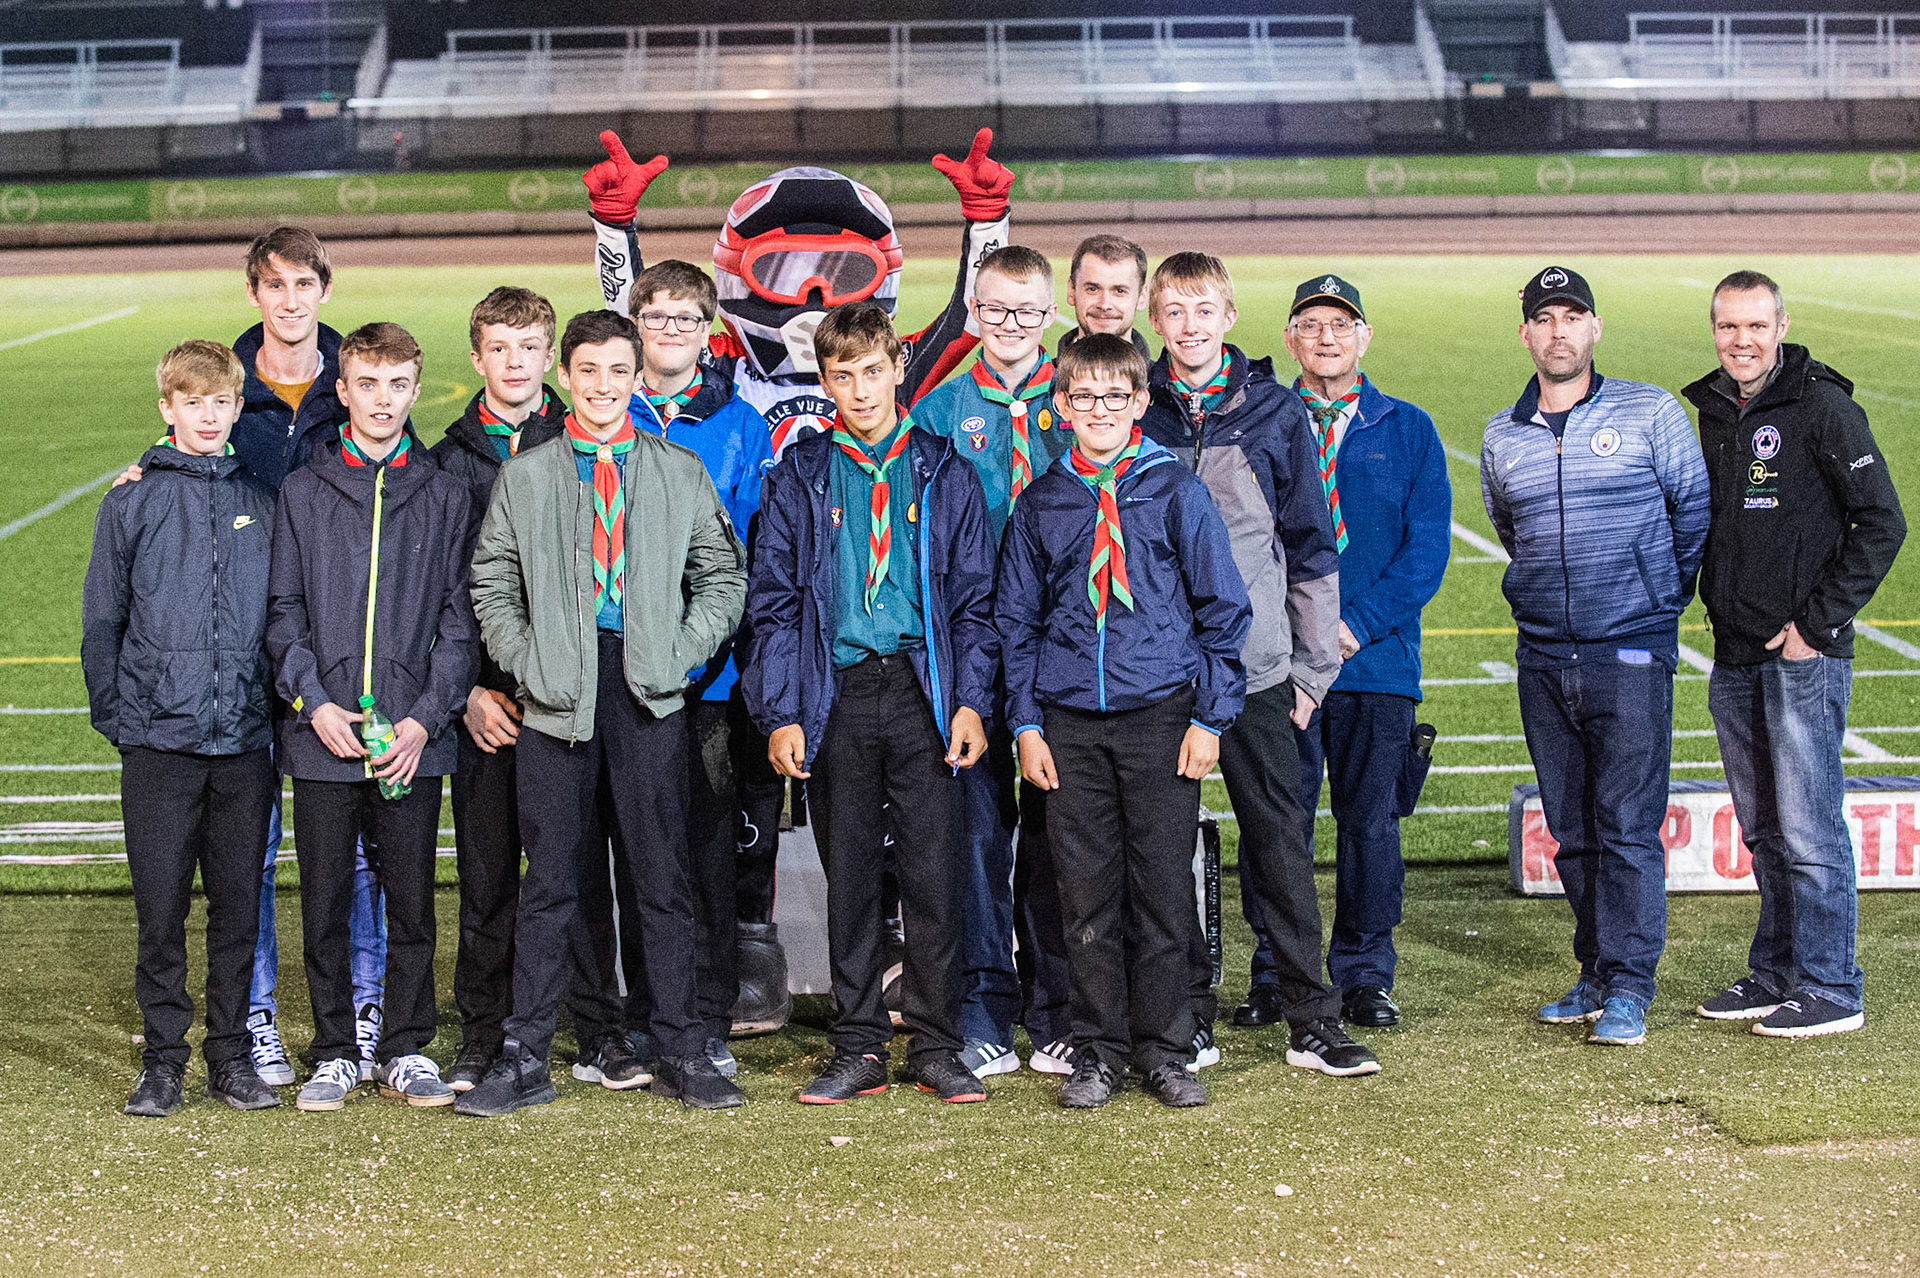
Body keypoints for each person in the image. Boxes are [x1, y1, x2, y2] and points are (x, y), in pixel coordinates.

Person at [582, 130, 1015, 1029]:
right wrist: (614, 225)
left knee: (884, 801)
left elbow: (965, 323)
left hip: (857, 626)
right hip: (755, 619)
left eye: (833, 265)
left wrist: (986, 218)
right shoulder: (730, 368)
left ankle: (897, 945)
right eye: (792, 264)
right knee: (746, 792)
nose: (815, 286)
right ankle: (751, 935)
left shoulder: (887, 365)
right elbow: (644, 327)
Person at [116, 226, 389, 1088]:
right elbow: (119, 602)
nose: (290, 299)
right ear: (254, 293)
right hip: (233, 667)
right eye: (274, 284)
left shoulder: (358, 382)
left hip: (327, 650)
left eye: (305, 283)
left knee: (352, 849)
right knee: (252, 860)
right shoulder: (227, 385)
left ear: (324, 290)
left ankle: (364, 1004)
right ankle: (255, 1020)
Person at [461, 310, 748, 1117]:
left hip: (647, 692)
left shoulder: (677, 470)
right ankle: (524, 1056)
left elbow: (724, 579)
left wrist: (675, 654)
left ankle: (683, 1049)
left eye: (617, 371)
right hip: (557, 697)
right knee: (551, 882)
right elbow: (492, 585)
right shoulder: (528, 476)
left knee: (662, 879)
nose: (602, 386)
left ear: (635, 377)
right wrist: (530, 662)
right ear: (567, 376)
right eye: (586, 371)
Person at [743, 302, 996, 1106]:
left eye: (872, 371)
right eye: (841, 376)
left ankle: (937, 1042)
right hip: (839, 691)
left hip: (923, 690)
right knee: (848, 874)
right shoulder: (801, 476)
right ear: (825, 383)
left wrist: (970, 701)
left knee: (934, 876)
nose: (859, 389)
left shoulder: (943, 470)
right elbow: (774, 604)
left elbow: (974, 603)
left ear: (897, 371)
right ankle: (856, 1045)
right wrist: (782, 708)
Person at [1138, 253, 1378, 1078]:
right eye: (1173, 311)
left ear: (1230, 316)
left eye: (1204, 309)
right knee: (1167, 855)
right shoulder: (1137, 405)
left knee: (1279, 845)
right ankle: (1187, 1018)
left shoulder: (1275, 412)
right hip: (1161, 676)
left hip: (1260, 671)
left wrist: (1313, 672)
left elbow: (1311, 545)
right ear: (1154, 319)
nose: (1190, 325)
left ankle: (1312, 1019)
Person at [997, 333, 1252, 1109]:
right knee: (1084, 899)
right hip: (1069, 723)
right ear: (1061, 408)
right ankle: (1098, 1050)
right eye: (1083, 398)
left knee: (1162, 893)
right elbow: (1016, 623)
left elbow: (1223, 610)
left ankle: (1167, 1047)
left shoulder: (1175, 491)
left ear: (1142, 403)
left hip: (1161, 715)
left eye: (1115, 396)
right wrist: (1026, 724)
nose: (1099, 410)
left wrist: (1211, 716)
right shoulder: (1042, 502)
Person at [1481, 265, 1710, 1046]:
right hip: (1544, 653)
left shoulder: (1650, 412)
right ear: (1525, 334)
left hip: (1631, 649)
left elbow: (1694, 515)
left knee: (1626, 825)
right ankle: (1596, 970)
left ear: (1594, 328)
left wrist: (1652, 602)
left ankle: (1631, 987)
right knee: (1573, 828)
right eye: (1543, 319)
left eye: (1571, 316)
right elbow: (1513, 531)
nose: (1557, 331)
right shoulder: (1500, 434)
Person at [1682, 270, 1905, 1038]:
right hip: (1735, 652)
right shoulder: (1711, 410)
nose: (1740, 342)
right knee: (1765, 829)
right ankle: (1776, 972)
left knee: (1809, 829)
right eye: (1727, 327)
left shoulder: (1823, 407)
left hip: (1802, 657)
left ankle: (1831, 984)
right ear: (1713, 330)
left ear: (1781, 327)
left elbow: (1882, 522)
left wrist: (1815, 625)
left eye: (1755, 326)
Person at [266, 323, 478, 1112]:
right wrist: (312, 701)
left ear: (416, 393)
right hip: (322, 740)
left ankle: (404, 1046)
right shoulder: (303, 490)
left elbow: (462, 622)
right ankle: (332, 1050)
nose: (381, 401)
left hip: (410, 743)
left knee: (413, 898)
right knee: (321, 899)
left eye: (397, 386)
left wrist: (426, 719)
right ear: (343, 391)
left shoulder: (445, 493)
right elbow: (282, 612)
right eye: (367, 385)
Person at [82, 341, 282, 1118]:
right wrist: (123, 720)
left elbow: (277, 619)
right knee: (160, 911)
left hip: (242, 745)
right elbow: (103, 621)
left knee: (238, 908)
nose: (207, 413)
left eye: (220, 401)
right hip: (158, 746)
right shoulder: (129, 500)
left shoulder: (263, 501)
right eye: (191, 400)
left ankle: (229, 1057)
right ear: (167, 406)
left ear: (237, 408)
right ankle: (162, 1060)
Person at [1253, 274, 1451, 1031]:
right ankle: (1280, 972)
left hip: (1375, 663)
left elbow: (1425, 551)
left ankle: (1366, 973)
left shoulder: (1409, 428)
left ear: (1364, 337)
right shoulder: (1266, 422)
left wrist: (1353, 625)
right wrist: (1296, 635)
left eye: (1341, 324)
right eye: (1311, 324)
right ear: (1290, 339)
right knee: (1283, 825)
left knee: (1370, 826)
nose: (1326, 337)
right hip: (1283, 666)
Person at [912, 244, 1073, 1078]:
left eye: (1027, 311)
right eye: (995, 309)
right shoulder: (939, 412)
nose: (1010, 325)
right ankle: (981, 1002)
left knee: (1057, 834)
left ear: (1051, 317)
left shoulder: (1080, 396)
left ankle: (1056, 1002)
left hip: (1061, 651)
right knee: (975, 833)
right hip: (971, 647)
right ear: (973, 313)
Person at [624, 258, 778, 1073]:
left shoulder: (742, 424)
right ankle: (648, 1012)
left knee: (711, 850)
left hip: (713, 678)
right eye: (658, 317)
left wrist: (722, 645)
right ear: (637, 324)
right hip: (630, 674)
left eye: (687, 319)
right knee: (643, 847)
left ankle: (708, 1016)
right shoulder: (614, 411)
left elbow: (750, 551)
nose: (672, 332)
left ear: (708, 330)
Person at [428, 286, 568, 1091]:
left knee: (568, 872)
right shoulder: (447, 461)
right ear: (476, 358)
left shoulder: (581, 436)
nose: (514, 364)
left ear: (548, 357)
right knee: (486, 876)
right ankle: (482, 1033)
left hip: (566, 702)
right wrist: (469, 694)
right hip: (487, 706)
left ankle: (588, 1022)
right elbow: (442, 593)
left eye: (528, 348)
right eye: (499, 349)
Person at [1057, 235, 1151, 359]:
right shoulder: (1045, 378)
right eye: (1092, 289)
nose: (1104, 305)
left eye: (1119, 291)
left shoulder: (1162, 378)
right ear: (1071, 290)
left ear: (1142, 297)